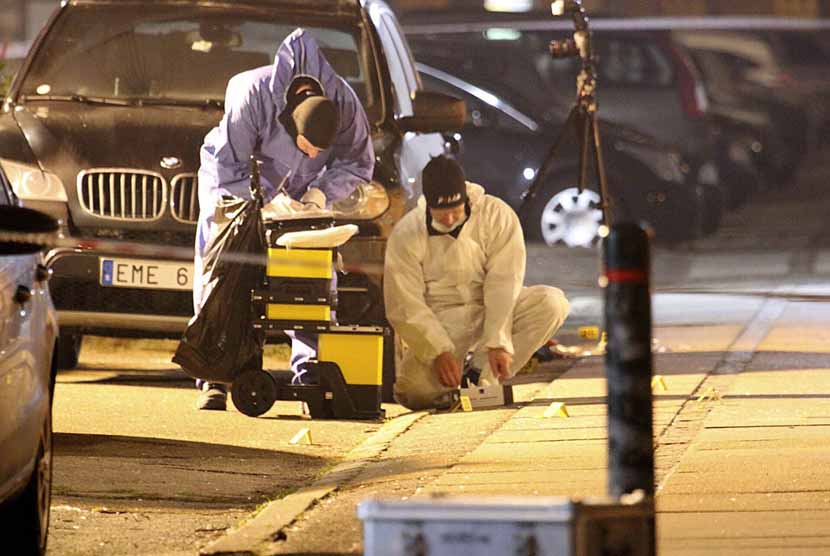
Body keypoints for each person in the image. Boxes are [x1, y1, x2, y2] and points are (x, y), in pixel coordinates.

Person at [193, 29, 374, 410]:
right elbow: (229, 167)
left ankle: (309, 368)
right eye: (306, 147)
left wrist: (321, 192)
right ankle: (216, 372)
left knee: (310, 269)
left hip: (303, 190)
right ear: (289, 124)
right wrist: (267, 201)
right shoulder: (252, 96)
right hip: (238, 178)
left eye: (319, 151)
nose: (311, 153)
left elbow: (359, 162)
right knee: (225, 264)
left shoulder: (344, 102)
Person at [384, 156, 570, 410]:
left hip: (490, 307)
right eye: (442, 213)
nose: (449, 219)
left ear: (466, 199)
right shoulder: (407, 232)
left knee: (552, 303)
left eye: (455, 211)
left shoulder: (497, 215)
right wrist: (437, 350)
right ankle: (454, 378)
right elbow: (404, 302)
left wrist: (497, 342)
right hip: (443, 318)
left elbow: (504, 283)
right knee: (416, 393)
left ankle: (482, 377)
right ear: (428, 206)